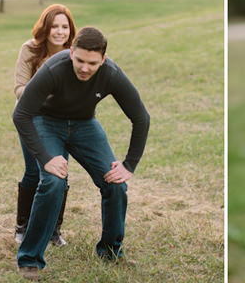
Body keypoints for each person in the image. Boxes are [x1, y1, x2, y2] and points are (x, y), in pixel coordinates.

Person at [12, 26, 150, 280]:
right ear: (71, 52)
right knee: (53, 182)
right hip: (47, 122)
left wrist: (129, 165)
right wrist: (46, 157)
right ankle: (29, 259)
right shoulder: (54, 68)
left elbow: (141, 118)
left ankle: (110, 251)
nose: (85, 68)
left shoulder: (111, 73)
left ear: (103, 60)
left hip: (85, 125)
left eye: (92, 63)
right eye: (80, 60)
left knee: (116, 184)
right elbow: (21, 115)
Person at [13, 3, 76, 247]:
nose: (60, 31)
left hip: (62, 122)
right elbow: (19, 88)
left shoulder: (74, 52)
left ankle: (53, 230)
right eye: (54, 26)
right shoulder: (29, 50)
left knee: (60, 174)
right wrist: (44, 86)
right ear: (45, 28)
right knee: (34, 172)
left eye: (65, 26)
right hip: (30, 118)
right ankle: (23, 226)